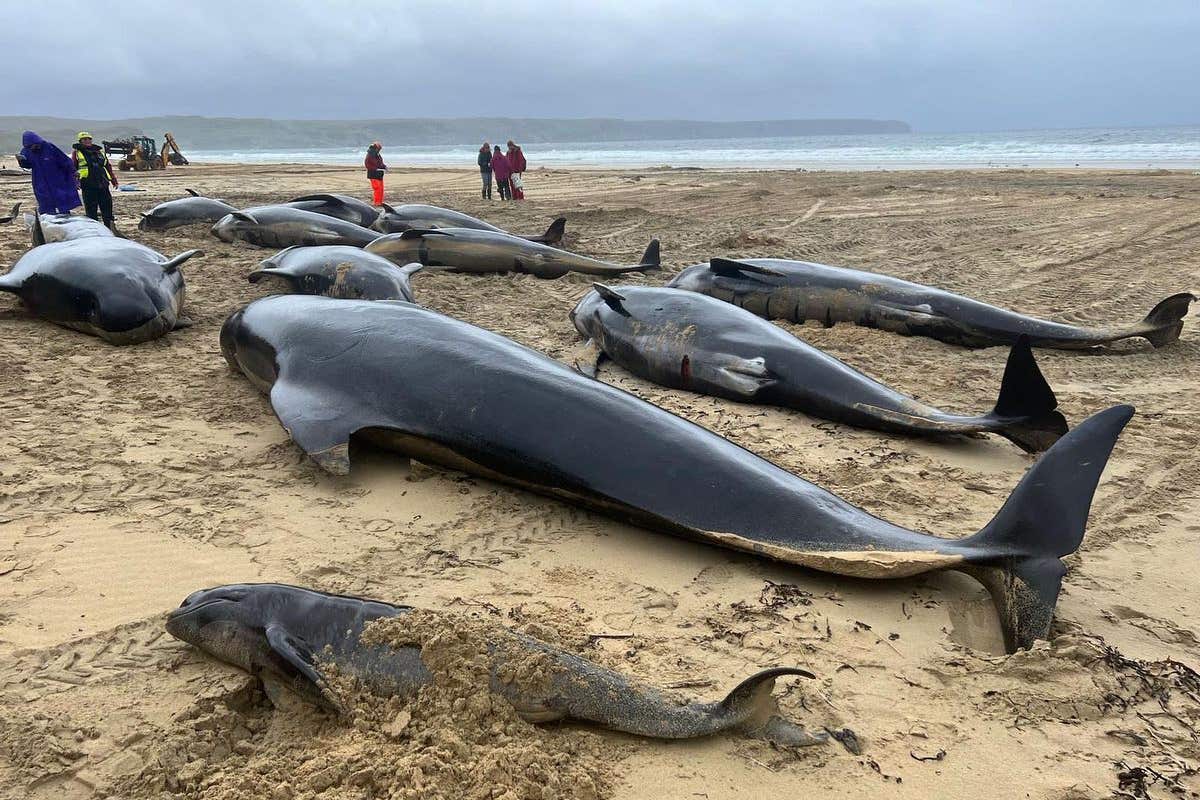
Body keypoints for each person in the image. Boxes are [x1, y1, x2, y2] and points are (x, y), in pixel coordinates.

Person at [17, 131, 81, 215]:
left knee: (62, 199)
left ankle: (65, 216)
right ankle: (47, 219)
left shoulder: (49, 147)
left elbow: (64, 160)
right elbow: (28, 165)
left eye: (34, 145)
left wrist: (73, 171)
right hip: (40, 180)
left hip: (56, 178)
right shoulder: (26, 151)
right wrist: (21, 161)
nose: (32, 148)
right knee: (45, 201)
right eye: (30, 146)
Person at [71, 132, 118, 230]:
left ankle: (110, 228)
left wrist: (114, 179)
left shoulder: (99, 152)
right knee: (91, 210)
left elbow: (107, 166)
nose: (87, 141)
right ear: (80, 141)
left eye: (89, 139)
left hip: (103, 183)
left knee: (107, 208)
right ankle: (95, 230)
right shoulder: (76, 153)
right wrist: (75, 182)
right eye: (84, 139)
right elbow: (73, 168)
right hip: (88, 185)